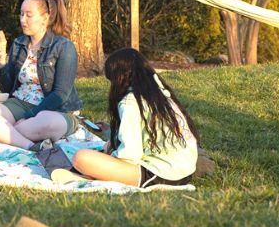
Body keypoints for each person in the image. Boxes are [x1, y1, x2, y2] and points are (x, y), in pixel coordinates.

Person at [70, 48, 199, 188]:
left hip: (159, 175)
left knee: (81, 157)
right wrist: (110, 134)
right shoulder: (159, 93)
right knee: (105, 150)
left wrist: (109, 157)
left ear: (119, 78)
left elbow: (129, 155)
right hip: (184, 172)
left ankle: (92, 176)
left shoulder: (130, 102)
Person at [0, 0, 82, 148]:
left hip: (54, 110)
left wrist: (30, 116)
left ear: (45, 18)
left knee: (47, 124)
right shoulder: (19, 44)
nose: (23, 20)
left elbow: (60, 94)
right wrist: (2, 64)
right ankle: (31, 146)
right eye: (21, 14)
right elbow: (7, 88)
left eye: (29, 15)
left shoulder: (64, 47)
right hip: (20, 103)